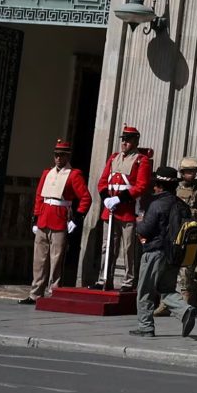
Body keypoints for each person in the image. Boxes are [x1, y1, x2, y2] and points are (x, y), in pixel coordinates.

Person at [87, 126, 153, 290]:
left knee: (128, 247)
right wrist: (106, 198)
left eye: (128, 139)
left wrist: (120, 198)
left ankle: (128, 281)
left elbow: (142, 186)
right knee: (107, 246)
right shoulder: (113, 158)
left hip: (128, 210)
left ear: (136, 140)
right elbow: (103, 181)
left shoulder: (141, 160)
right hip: (110, 210)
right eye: (123, 139)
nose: (125, 142)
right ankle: (104, 278)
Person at [25, 139, 89, 303]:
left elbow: (85, 198)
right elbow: (40, 196)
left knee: (56, 261)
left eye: (61, 155)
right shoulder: (47, 173)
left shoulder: (74, 175)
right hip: (44, 219)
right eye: (56, 155)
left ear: (67, 156)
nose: (58, 158)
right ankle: (35, 293)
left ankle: (54, 293)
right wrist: (36, 217)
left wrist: (77, 217)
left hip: (60, 220)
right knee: (39, 260)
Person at [129, 171, 184, 337]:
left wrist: (139, 222)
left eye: (156, 184)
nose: (153, 187)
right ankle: (185, 309)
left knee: (146, 290)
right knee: (166, 288)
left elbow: (145, 229)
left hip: (155, 251)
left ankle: (145, 327)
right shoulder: (181, 205)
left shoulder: (157, 204)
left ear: (160, 187)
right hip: (174, 253)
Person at [171, 155, 197, 330]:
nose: (192, 175)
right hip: (174, 232)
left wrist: (195, 212)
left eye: (194, 172)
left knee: (187, 268)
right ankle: (167, 304)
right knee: (169, 267)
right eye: (188, 172)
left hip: (190, 235)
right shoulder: (174, 188)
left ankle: (186, 306)